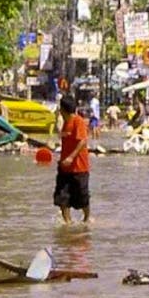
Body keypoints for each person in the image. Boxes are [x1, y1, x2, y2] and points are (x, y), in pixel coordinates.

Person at [54, 95, 90, 224]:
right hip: (65, 167)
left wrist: (71, 157)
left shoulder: (78, 121)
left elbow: (82, 141)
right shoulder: (64, 123)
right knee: (61, 196)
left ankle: (86, 219)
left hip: (79, 167)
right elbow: (60, 136)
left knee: (82, 196)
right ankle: (68, 223)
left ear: (63, 109)